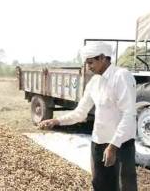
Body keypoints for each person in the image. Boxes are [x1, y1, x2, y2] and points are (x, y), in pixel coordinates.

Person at [39, 42, 137, 191]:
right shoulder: (94, 82)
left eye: (91, 62)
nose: (88, 67)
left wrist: (113, 146)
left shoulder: (121, 76)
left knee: (125, 186)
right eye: (86, 63)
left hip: (120, 145)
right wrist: (56, 120)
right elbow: (80, 113)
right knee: (100, 185)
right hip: (98, 143)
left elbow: (129, 114)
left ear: (103, 58)